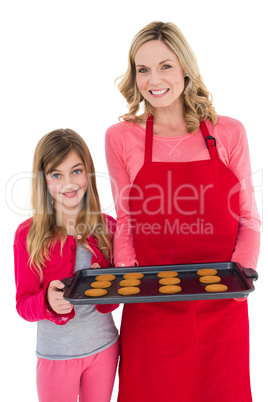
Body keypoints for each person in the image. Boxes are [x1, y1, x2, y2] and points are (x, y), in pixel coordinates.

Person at [105, 21, 261, 402]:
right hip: (151, 308)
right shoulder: (121, 137)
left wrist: (238, 282)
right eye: (142, 69)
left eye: (165, 66)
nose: (153, 79)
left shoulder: (228, 132)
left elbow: (250, 220)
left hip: (220, 305)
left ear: (185, 69)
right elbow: (126, 221)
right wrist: (131, 281)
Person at [14, 129, 119, 402]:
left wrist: (108, 287)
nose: (69, 183)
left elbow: (113, 302)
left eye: (76, 171)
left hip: (105, 349)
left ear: (88, 173)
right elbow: (23, 304)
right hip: (56, 356)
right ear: (43, 180)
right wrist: (47, 302)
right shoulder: (28, 235)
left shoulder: (108, 227)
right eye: (56, 175)